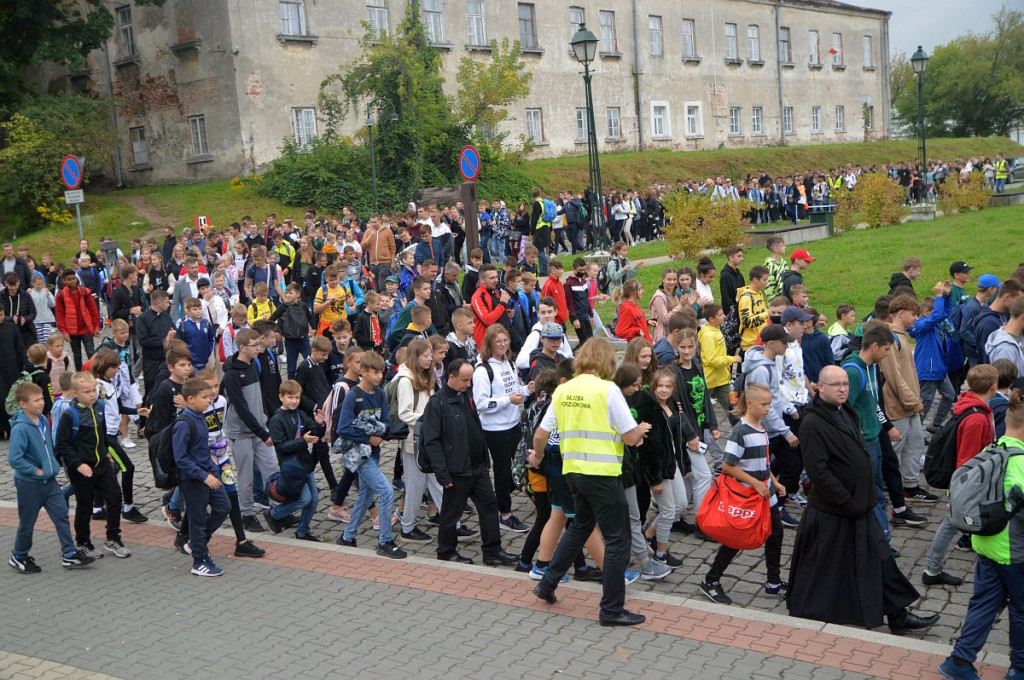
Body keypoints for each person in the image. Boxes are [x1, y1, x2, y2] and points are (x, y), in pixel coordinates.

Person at [788, 365, 939, 635]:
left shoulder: (846, 410)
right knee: (828, 564)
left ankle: (897, 614)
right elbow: (818, 471)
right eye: (835, 384)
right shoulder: (812, 422)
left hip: (859, 504)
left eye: (845, 383)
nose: (843, 388)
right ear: (820, 387)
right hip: (836, 509)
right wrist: (847, 501)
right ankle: (819, 607)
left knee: (879, 556)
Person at [530, 338, 651, 627]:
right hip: (603, 474)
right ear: (608, 360)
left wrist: (536, 457)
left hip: (574, 472)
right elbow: (630, 437)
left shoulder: (564, 389)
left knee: (580, 527)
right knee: (618, 539)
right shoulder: (607, 390)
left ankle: (547, 584)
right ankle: (611, 609)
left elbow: (540, 433)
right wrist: (640, 431)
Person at [938, 391, 1024, 679]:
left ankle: (959, 661)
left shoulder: (993, 448)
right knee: (1022, 610)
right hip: (1015, 552)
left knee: (984, 602)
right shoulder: (1021, 463)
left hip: (986, 544)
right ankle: (1020, 667)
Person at [698, 383, 787, 605]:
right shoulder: (741, 431)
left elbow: (764, 461)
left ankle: (773, 582)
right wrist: (756, 484)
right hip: (748, 497)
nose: (768, 408)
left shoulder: (761, 427)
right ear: (750, 404)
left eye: (769, 404)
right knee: (736, 539)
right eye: (764, 404)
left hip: (766, 495)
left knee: (776, 534)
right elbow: (728, 466)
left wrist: (774, 482)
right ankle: (711, 580)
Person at [922, 364, 998, 588]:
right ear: (993, 387)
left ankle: (933, 569)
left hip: (968, 482)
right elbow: (966, 460)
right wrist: (959, 493)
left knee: (957, 524)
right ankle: (933, 569)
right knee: (952, 524)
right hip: (968, 483)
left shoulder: (971, 406)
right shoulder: (977, 419)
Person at [7, 382, 95, 573]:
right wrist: (36, 471)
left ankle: (69, 554)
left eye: (41, 399)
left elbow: (48, 447)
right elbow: (15, 459)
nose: (41, 403)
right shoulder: (20, 428)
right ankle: (19, 555)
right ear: (23, 404)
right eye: (36, 400)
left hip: (50, 481)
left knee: (61, 514)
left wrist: (52, 467)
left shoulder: (43, 421)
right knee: (27, 522)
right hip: (30, 483)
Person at [335, 352, 407, 559]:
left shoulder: (379, 394)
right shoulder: (353, 395)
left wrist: (379, 432)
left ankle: (348, 537)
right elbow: (343, 428)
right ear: (363, 371)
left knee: (364, 496)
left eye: (381, 372)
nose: (379, 376)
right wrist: (369, 438)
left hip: (373, 453)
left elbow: (385, 421)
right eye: (375, 372)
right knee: (385, 492)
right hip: (358, 456)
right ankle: (384, 541)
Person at [55, 371, 131, 559]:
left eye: (94, 390)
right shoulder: (70, 415)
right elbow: (62, 445)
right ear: (75, 393)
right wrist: (78, 464)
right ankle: (83, 542)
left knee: (114, 498)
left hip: (102, 464)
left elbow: (102, 433)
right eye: (87, 391)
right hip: (82, 468)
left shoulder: (99, 407)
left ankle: (113, 538)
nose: (92, 394)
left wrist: (106, 451)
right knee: (85, 505)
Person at [880, 294, 939, 503]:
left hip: (911, 405)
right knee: (891, 449)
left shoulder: (903, 335)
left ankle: (911, 486)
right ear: (901, 313)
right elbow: (894, 377)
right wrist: (913, 401)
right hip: (898, 406)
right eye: (913, 314)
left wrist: (916, 402)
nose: (916, 318)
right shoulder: (890, 337)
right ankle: (875, 484)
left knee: (914, 445)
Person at [474, 324, 533, 533]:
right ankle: (504, 513)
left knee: (520, 466)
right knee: (502, 471)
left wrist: (527, 389)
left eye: (505, 340)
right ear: (489, 344)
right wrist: (507, 400)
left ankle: (499, 498)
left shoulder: (509, 362)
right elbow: (481, 403)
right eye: (498, 341)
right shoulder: (482, 370)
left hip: (513, 424)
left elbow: (514, 389)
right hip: (495, 429)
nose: (503, 344)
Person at [222, 328, 280, 533]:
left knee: (272, 469)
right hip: (242, 433)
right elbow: (241, 408)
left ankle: (277, 511)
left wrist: (268, 418)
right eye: (255, 346)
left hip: (259, 428)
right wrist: (263, 433)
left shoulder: (253, 365)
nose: (259, 348)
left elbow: (260, 396)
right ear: (242, 347)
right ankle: (246, 514)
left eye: (259, 344)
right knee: (246, 477)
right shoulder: (231, 375)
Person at [172, 377, 231, 576]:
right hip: (194, 479)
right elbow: (181, 458)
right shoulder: (184, 423)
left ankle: (195, 543)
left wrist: (212, 470)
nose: (209, 400)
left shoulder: (200, 416)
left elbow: (201, 449)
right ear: (190, 399)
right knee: (197, 519)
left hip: (209, 472)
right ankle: (199, 561)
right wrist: (203, 475)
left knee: (224, 506)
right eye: (204, 397)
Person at [265, 380, 323, 541]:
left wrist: (319, 423)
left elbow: (313, 429)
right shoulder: (276, 420)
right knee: (304, 499)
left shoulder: (300, 414)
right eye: (290, 397)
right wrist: (303, 441)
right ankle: (274, 514)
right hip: (291, 466)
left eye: (297, 398)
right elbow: (281, 446)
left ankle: (303, 531)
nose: (294, 401)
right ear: (281, 397)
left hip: (304, 464)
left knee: (314, 499)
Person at [54, 270, 100, 369]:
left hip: (86, 328)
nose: (72, 281)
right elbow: (59, 314)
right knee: (77, 355)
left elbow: (93, 310)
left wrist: (96, 326)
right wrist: (64, 331)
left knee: (91, 352)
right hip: (72, 331)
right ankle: (80, 376)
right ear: (64, 281)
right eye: (69, 279)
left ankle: (95, 373)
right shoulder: (61, 295)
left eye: (73, 279)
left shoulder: (85, 292)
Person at [719, 245, 746, 320]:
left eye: (742, 256)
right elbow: (726, 298)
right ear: (731, 258)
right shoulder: (725, 275)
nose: (742, 259)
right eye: (739, 256)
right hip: (732, 314)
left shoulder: (739, 274)